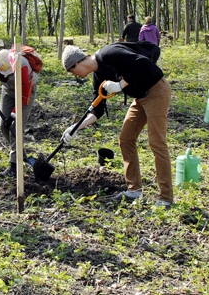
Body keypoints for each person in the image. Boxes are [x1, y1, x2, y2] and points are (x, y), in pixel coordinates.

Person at [60, 42, 173, 207]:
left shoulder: (109, 54)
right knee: (126, 139)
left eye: (72, 72)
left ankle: (166, 198)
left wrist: (121, 85)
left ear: (77, 63)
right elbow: (97, 110)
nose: (75, 76)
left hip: (156, 91)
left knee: (157, 142)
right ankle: (134, 190)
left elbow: (142, 63)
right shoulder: (98, 76)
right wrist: (75, 127)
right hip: (140, 97)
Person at [0, 47, 39, 177]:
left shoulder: (21, 65)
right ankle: (19, 152)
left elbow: (24, 95)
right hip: (7, 90)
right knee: (3, 125)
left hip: (25, 92)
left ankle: (14, 166)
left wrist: (13, 114)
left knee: (16, 128)